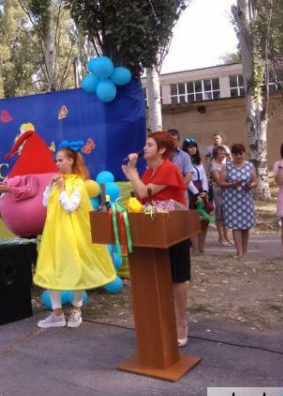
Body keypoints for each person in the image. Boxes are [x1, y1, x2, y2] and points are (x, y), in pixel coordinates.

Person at [34, 143, 116, 329]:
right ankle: (57, 314)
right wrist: (49, 187)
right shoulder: (58, 181)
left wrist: (62, 189)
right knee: (50, 269)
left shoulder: (78, 183)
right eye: (56, 160)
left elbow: (70, 207)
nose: (57, 163)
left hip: (72, 235)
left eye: (60, 160)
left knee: (76, 270)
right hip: (54, 233)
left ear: (71, 161)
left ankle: (77, 311)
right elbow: (46, 203)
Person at [122, 131, 192, 346]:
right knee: (156, 276)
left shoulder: (169, 169)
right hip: (153, 223)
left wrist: (132, 173)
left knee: (177, 277)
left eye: (150, 145)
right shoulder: (149, 171)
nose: (144, 148)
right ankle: (160, 320)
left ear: (161, 150)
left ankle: (181, 323)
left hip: (174, 226)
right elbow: (142, 199)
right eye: (145, 144)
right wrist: (135, 176)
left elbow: (144, 193)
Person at [218, 143, 257, 259]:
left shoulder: (250, 166)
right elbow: (220, 182)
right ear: (232, 154)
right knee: (236, 226)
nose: (239, 156)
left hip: (246, 200)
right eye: (236, 154)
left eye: (241, 154)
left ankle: (245, 251)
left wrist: (251, 185)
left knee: (246, 227)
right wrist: (231, 184)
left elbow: (255, 181)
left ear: (244, 153)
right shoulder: (227, 166)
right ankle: (239, 252)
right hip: (232, 200)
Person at [182, 138, 210, 254]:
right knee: (193, 220)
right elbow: (187, 180)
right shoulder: (184, 161)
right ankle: (195, 248)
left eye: (194, 146)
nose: (193, 149)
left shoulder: (199, 161)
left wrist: (205, 191)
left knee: (204, 220)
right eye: (190, 147)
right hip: (191, 192)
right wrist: (196, 193)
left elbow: (203, 177)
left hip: (201, 191)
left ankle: (202, 246)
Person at [208, 146, 233, 246]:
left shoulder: (227, 164)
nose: (223, 155)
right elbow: (218, 181)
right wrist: (232, 183)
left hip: (228, 191)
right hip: (218, 191)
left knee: (227, 214)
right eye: (220, 153)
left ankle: (227, 236)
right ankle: (221, 237)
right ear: (215, 154)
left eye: (224, 153)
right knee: (219, 215)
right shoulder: (213, 165)